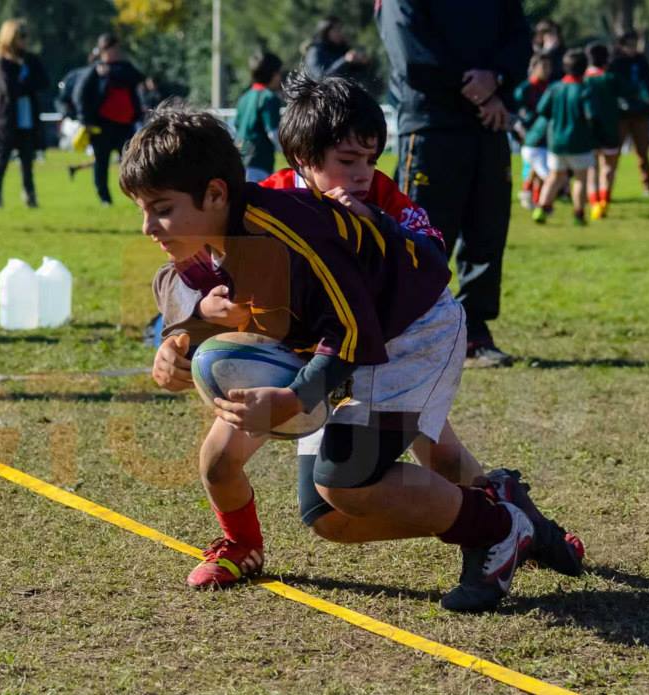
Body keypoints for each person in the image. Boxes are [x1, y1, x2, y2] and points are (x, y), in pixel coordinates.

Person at [125, 106, 583, 613]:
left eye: (161, 209)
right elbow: (180, 287)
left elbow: (353, 330)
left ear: (214, 194)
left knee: (352, 478)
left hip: (408, 334)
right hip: (325, 343)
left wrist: (293, 397)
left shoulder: (286, 232)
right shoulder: (211, 230)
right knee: (326, 513)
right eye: (143, 209)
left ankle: (497, 527)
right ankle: (243, 546)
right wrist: (178, 340)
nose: (148, 226)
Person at [377, 0, 531, 369]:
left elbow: (519, 38)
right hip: (432, 124)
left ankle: (473, 332)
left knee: (487, 231)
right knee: (422, 236)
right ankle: (408, 331)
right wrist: (479, 91)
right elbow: (411, 53)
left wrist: (496, 79)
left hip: (488, 125)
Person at [74, 33, 144, 206]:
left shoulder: (124, 68)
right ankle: (104, 198)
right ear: (103, 50)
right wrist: (85, 120)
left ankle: (136, 195)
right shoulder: (94, 70)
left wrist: (111, 72)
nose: (114, 52)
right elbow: (80, 95)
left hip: (125, 125)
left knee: (130, 161)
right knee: (101, 162)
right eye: (110, 49)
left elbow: (137, 77)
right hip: (102, 125)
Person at [0, 19, 46, 211]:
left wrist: (25, 83)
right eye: (21, 36)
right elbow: (8, 89)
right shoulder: (1, 61)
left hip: (27, 117)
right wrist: (28, 83)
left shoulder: (30, 59)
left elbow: (44, 81)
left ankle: (30, 195)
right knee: (2, 159)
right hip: (6, 119)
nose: (25, 40)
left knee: (27, 160)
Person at [532, 49, 596, 226]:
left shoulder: (554, 88)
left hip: (556, 142)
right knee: (580, 178)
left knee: (554, 176)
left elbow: (542, 110)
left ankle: (541, 209)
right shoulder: (584, 90)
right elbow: (591, 116)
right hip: (579, 142)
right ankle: (578, 214)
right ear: (584, 68)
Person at [609, 31, 649, 196]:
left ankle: (647, 187)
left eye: (634, 44)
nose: (632, 48)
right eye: (629, 45)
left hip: (639, 113)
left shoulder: (641, 61)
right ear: (622, 45)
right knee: (614, 153)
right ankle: (608, 187)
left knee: (642, 152)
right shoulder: (615, 63)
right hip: (621, 114)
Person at [584, 43, 623, 219]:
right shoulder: (610, 78)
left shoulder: (582, 79)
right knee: (608, 167)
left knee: (592, 168)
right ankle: (604, 202)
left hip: (589, 131)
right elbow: (629, 91)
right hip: (609, 129)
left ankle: (594, 205)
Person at [234, 50, 283, 183]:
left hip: (240, 161)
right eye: (279, 73)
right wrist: (289, 154)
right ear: (272, 74)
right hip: (259, 163)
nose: (280, 77)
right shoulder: (269, 97)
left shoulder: (244, 97)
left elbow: (238, 128)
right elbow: (272, 132)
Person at [513, 55, 552, 210]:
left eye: (549, 67)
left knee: (536, 168)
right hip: (530, 135)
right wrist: (521, 131)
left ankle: (530, 195)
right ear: (534, 68)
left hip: (545, 134)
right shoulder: (524, 89)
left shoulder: (549, 87)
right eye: (544, 67)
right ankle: (531, 196)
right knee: (535, 166)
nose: (547, 71)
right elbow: (519, 113)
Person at [56, 50, 98, 181]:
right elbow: (63, 98)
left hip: (90, 121)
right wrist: (72, 114)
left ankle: (75, 168)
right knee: (102, 156)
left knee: (102, 157)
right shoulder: (81, 76)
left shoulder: (77, 74)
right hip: (81, 122)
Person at [302, 16, 370, 81]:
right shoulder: (315, 52)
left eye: (341, 29)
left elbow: (355, 77)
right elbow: (321, 78)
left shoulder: (342, 48)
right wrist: (345, 61)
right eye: (337, 30)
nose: (340, 33)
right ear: (326, 32)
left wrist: (362, 63)